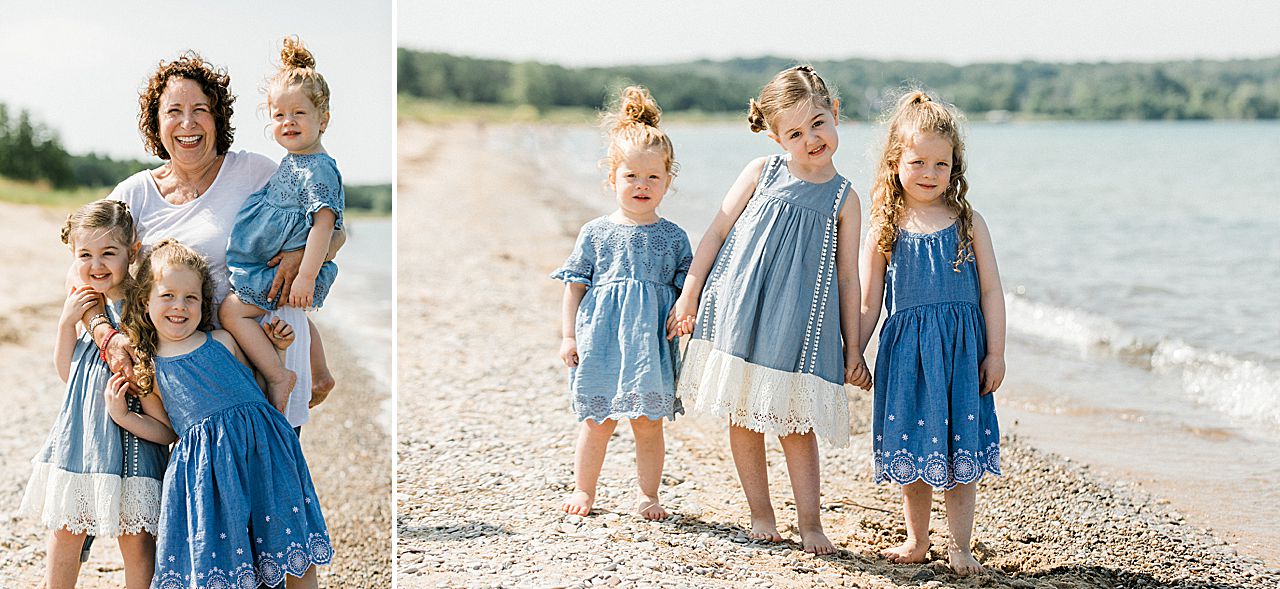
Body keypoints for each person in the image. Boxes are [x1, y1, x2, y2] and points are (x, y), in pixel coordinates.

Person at [669, 66, 872, 555]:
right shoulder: (762, 172)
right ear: (777, 136)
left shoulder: (844, 198)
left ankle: (810, 523)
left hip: (802, 325)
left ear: (836, 113)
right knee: (743, 413)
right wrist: (691, 289)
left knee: (797, 424)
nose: (811, 140)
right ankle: (761, 513)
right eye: (796, 133)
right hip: (743, 309)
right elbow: (717, 232)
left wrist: (854, 346)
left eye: (819, 124)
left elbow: (849, 277)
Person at [95, 50, 342, 431]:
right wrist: (103, 332)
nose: (187, 122)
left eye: (200, 109)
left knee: (271, 479)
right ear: (155, 123)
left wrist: (295, 256)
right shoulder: (135, 194)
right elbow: (84, 270)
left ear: (218, 117)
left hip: (260, 359)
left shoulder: (254, 172)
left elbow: (332, 229)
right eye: (173, 111)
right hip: (181, 380)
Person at [119, 239, 332, 588]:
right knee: (224, 557)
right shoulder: (151, 368)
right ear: (145, 301)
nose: (180, 306)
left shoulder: (223, 341)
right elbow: (167, 431)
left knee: (290, 543)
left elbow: (258, 390)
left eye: (191, 298)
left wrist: (276, 353)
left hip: (265, 453)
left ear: (204, 304)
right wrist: (126, 417)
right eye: (168, 295)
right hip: (208, 473)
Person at [857, 90, 1005, 576]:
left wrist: (996, 354)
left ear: (954, 168)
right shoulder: (886, 225)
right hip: (907, 360)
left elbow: (990, 293)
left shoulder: (969, 222)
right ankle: (918, 540)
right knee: (915, 448)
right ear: (896, 162)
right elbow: (867, 299)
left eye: (941, 164)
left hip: (963, 357)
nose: (929, 173)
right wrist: (854, 349)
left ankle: (960, 545)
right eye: (918, 161)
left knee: (960, 451)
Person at [552, 86, 692, 520]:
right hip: (602, 343)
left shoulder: (673, 237)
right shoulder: (595, 232)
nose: (642, 185)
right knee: (597, 422)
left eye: (653, 177)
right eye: (631, 176)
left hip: (649, 346)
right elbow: (574, 286)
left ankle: (649, 495)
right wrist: (567, 335)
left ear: (669, 181)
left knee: (648, 426)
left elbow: (691, 288)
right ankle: (583, 489)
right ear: (612, 178)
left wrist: (687, 315)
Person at [19, 200, 170, 589]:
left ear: (132, 252)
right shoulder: (85, 304)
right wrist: (67, 321)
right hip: (82, 437)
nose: (97, 264)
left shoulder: (141, 305)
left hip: (133, 438)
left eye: (109, 253)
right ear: (73, 256)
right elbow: (66, 371)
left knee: (136, 539)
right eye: (85, 254)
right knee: (66, 528)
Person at [220, 37, 344, 414]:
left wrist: (305, 276)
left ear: (323, 120)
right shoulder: (294, 161)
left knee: (230, 312)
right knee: (293, 320)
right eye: (279, 115)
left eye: (299, 114)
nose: (288, 122)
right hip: (270, 265)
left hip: (283, 273)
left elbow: (324, 225)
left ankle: (278, 374)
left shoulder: (318, 167)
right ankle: (318, 373)